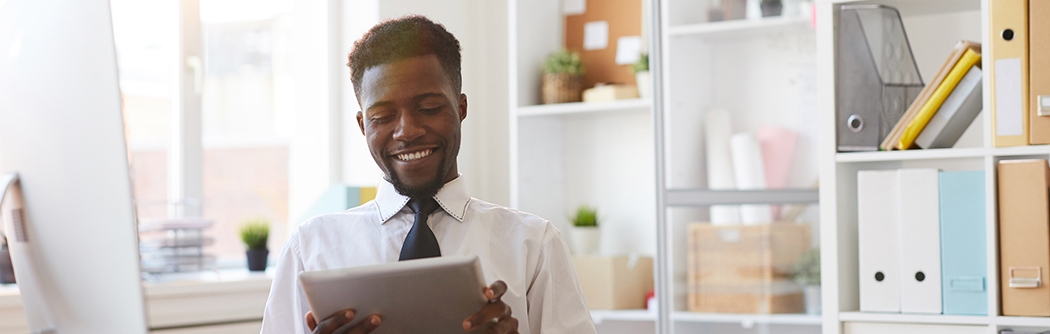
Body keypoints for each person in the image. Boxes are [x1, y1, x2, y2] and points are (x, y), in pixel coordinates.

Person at [259, 15, 596, 334]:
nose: (408, 131)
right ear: (363, 126)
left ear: (461, 109)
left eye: (430, 108)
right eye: (383, 116)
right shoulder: (310, 249)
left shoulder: (533, 246)